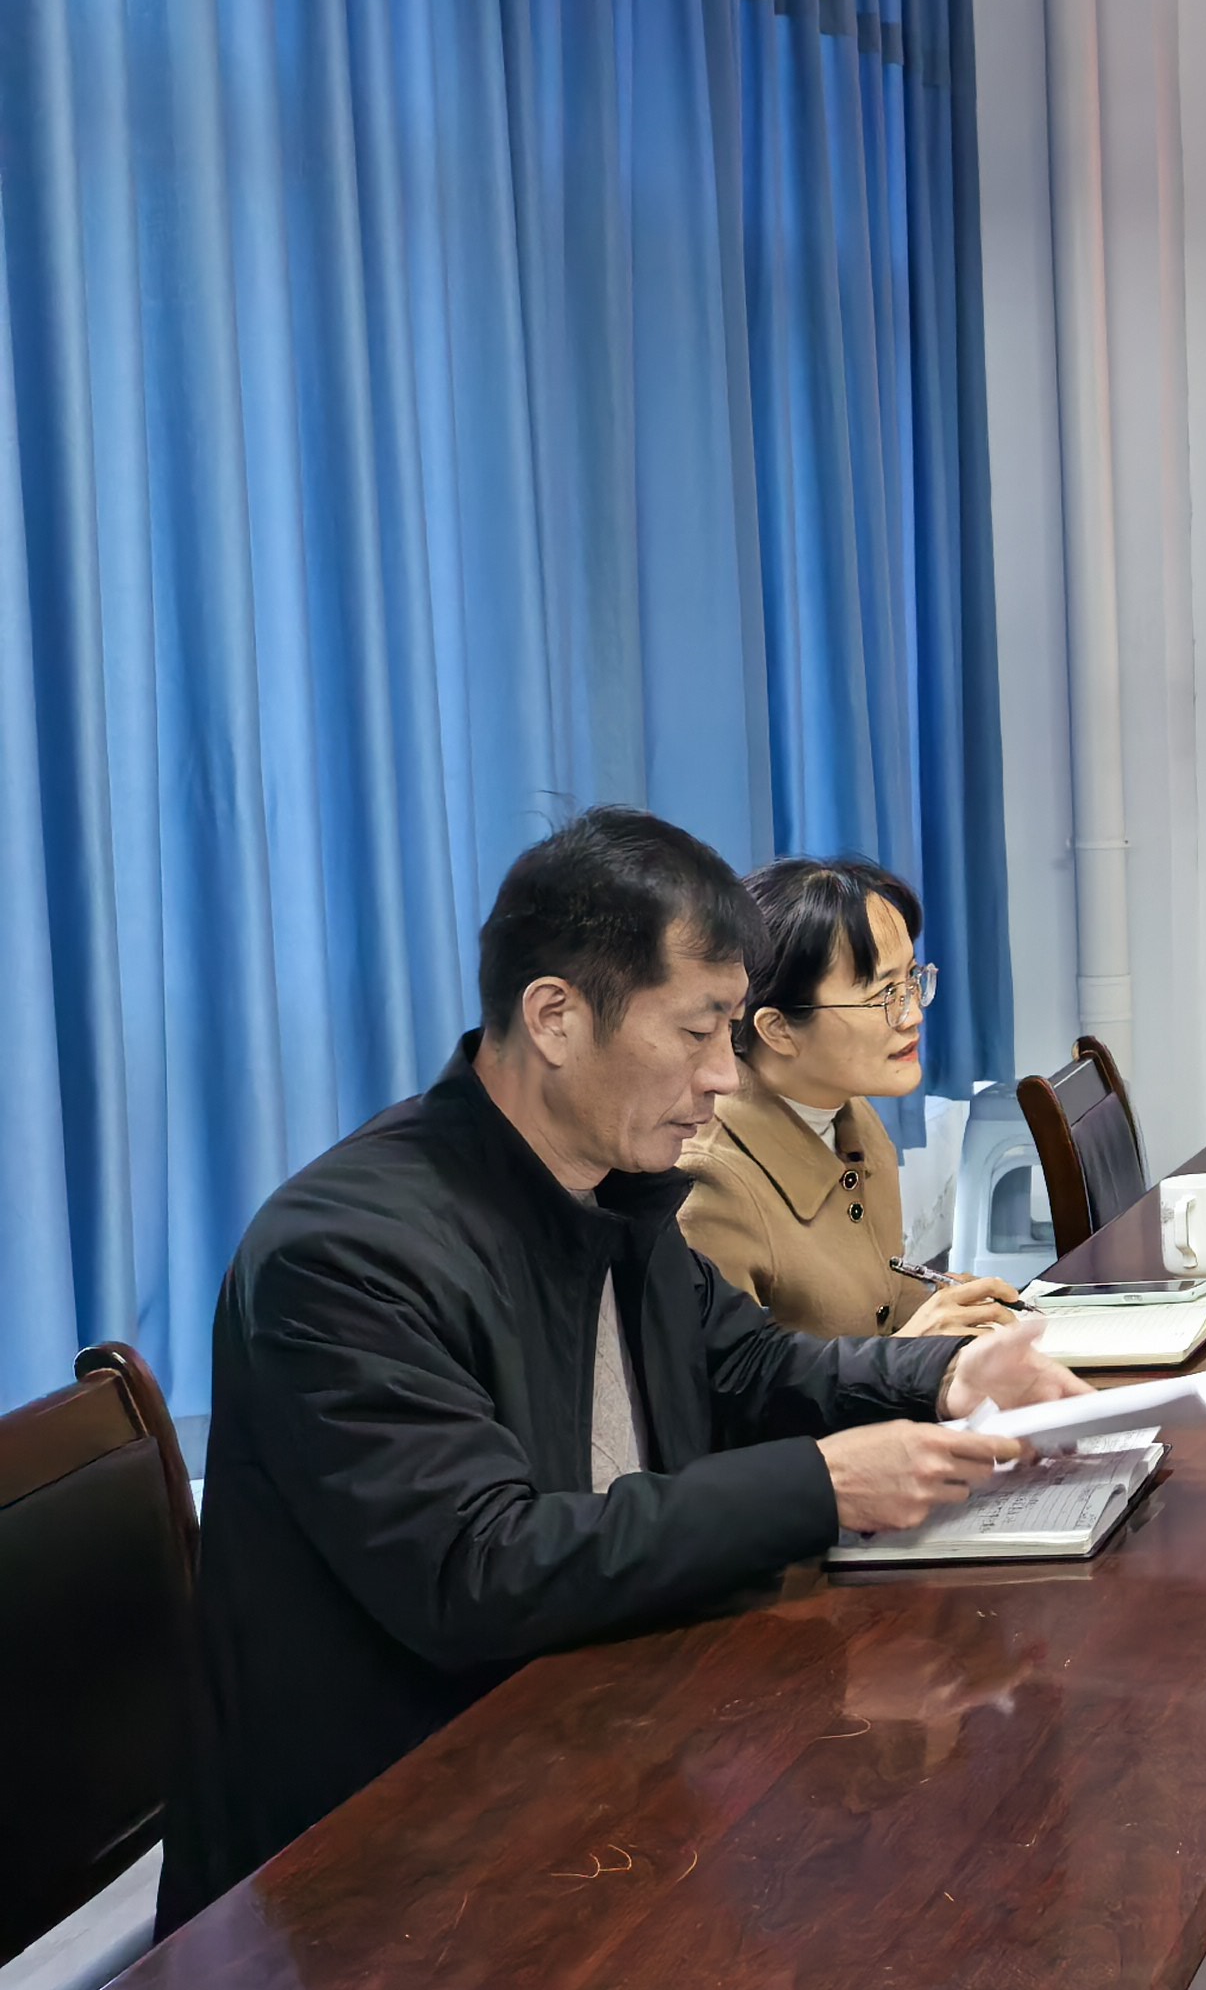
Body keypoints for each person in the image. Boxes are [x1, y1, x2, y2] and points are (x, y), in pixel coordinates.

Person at [163, 809, 1085, 1923]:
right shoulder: (344, 1253)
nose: (723, 1076)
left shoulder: (610, 1184)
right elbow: (480, 1569)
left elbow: (744, 1368)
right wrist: (827, 1484)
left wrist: (943, 1380)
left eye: (730, 1030)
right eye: (696, 1032)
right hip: (384, 1870)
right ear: (554, 1017)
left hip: (601, 1749)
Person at [680, 855, 1020, 1342]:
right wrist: (909, 1352)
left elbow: (884, 1302)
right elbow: (736, 1383)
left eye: (911, 980)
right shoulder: (711, 1182)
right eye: (883, 995)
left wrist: (949, 1307)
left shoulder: (848, 1111)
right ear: (778, 1029)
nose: (912, 1015)